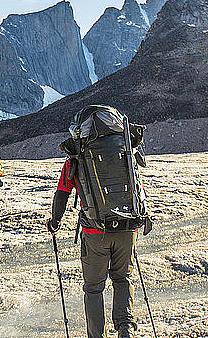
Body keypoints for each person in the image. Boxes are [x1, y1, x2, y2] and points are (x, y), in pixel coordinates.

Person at [47, 106, 143, 338]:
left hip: (94, 231)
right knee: (122, 278)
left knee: (93, 289)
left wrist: (55, 221)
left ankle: (97, 335)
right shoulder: (125, 149)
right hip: (128, 227)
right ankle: (126, 328)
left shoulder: (76, 157)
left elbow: (62, 193)